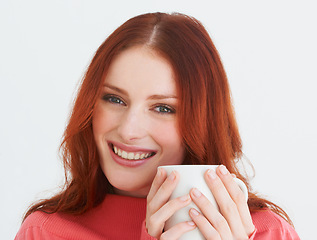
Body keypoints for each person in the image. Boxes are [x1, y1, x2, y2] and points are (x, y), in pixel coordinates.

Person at [15, 12, 300, 239]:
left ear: (203, 122)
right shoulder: (45, 233)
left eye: (163, 108)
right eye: (114, 99)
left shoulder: (269, 233)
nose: (128, 130)